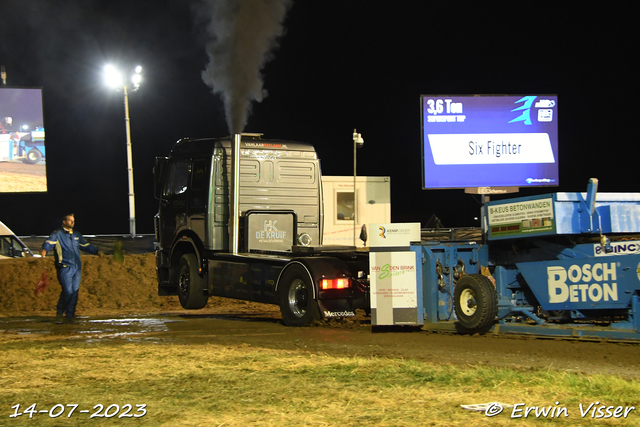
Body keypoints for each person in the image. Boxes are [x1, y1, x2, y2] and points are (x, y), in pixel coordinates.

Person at [41, 213, 103, 324]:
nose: (72, 222)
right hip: (64, 267)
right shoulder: (57, 234)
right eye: (70, 220)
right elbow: (48, 243)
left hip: (77, 268)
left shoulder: (76, 234)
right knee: (68, 291)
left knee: (74, 292)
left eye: (73, 220)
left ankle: (70, 315)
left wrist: (96, 251)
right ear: (64, 222)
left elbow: (85, 245)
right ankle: (60, 313)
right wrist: (44, 251)